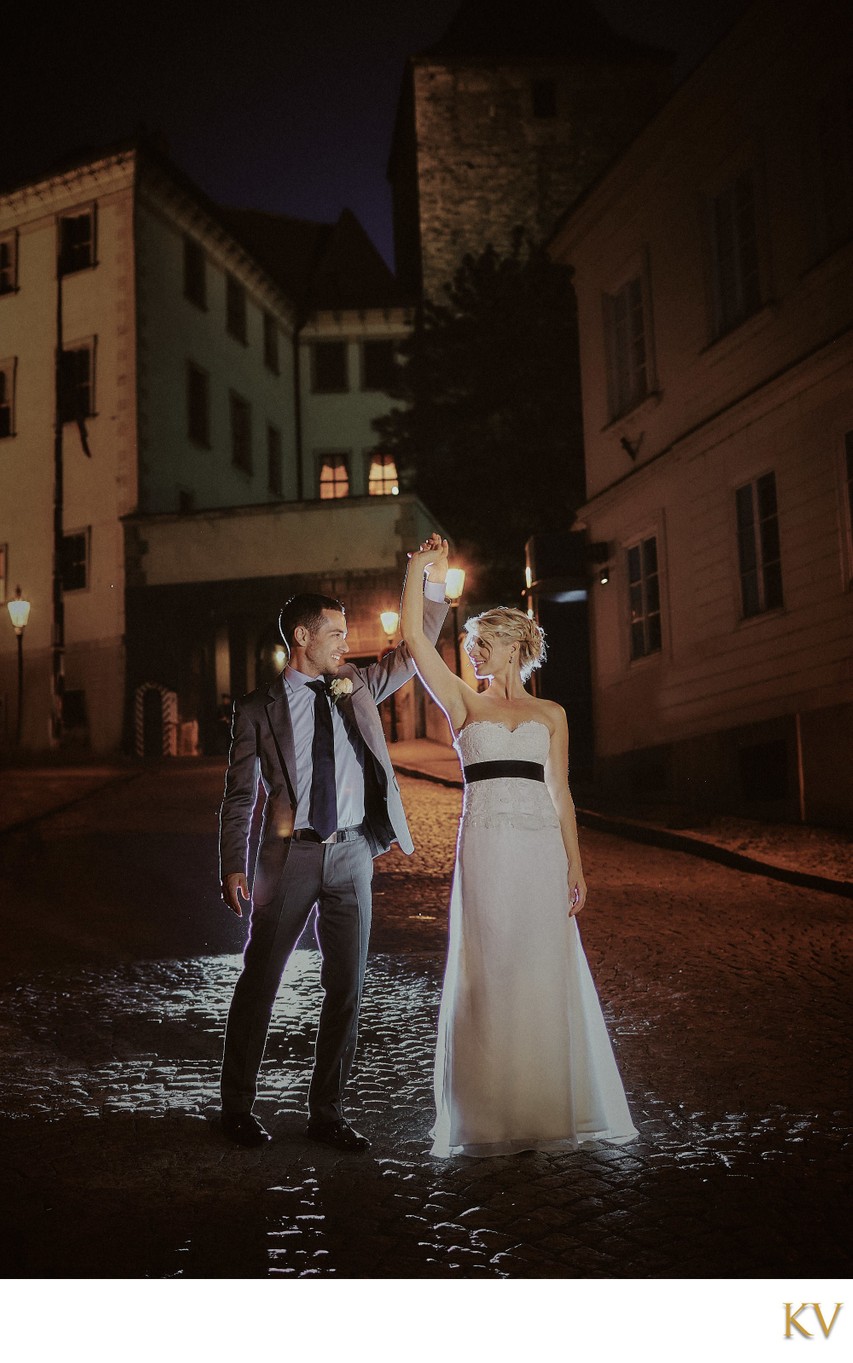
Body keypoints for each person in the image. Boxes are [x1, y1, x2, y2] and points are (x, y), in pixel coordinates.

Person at [401, 535, 638, 1158]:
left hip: (540, 854)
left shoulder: (552, 713)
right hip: (484, 849)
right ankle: (490, 1112)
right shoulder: (462, 702)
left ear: (512, 646)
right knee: (491, 969)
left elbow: (561, 793)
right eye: (471, 643)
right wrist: (419, 571)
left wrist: (576, 865)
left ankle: (546, 1104)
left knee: (542, 968)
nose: (473, 652)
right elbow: (417, 642)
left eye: (482, 643)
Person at [218, 553, 448, 1150]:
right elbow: (240, 796)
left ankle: (328, 1114)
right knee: (260, 981)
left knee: (346, 986)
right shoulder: (255, 709)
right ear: (302, 638)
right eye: (337, 634)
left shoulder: (359, 685)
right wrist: (233, 865)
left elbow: (415, 648)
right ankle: (236, 1108)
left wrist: (434, 584)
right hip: (288, 859)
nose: (348, 644)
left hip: (352, 856)